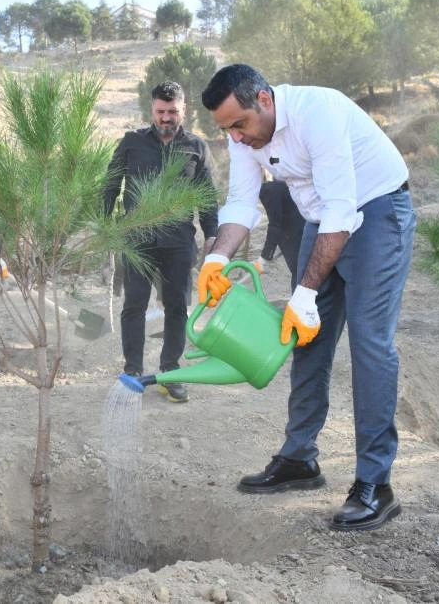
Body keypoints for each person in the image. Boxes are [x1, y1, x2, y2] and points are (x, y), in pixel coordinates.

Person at [199, 64, 415, 531]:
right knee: (306, 337)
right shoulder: (242, 136)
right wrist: (215, 261)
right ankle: (300, 459)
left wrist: (304, 291)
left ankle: (376, 485)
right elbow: (240, 204)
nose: (235, 138)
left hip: (375, 210)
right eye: (226, 129)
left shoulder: (318, 111)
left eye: (239, 124)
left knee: (369, 345)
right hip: (322, 219)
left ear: (265, 100)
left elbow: (343, 205)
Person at [103, 81, 219, 403]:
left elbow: (207, 199)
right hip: (136, 239)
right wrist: (104, 224)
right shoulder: (131, 142)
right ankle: (133, 372)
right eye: (160, 111)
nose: (166, 118)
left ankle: (169, 372)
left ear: (184, 109)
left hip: (179, 241)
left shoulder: (197, 148)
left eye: (172, 111)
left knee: (177, 306)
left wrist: (211, 235)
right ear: (151, 110)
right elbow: (111, 184)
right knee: (134, 305)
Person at [257, 179, 305, 291]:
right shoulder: (279, 184)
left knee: (299, 277)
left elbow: (275, 225)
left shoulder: (268, 190)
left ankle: (297, 307)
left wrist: (264, 257)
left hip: (295, 236)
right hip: (301, 230)